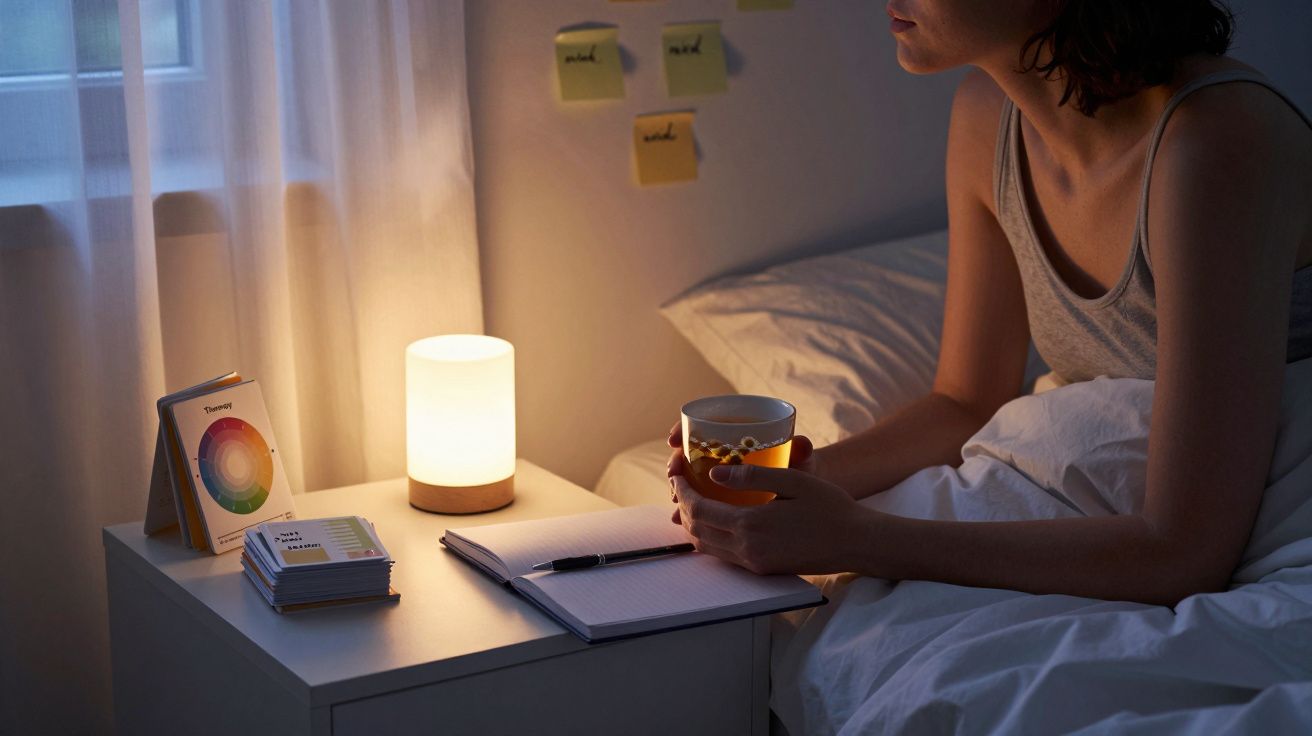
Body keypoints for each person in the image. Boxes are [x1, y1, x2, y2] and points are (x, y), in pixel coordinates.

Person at [667, 0, 1312, 606]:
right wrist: (768, 491)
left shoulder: (1216, 139)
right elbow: (964, 403)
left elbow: (1183, 550)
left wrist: (853, 537)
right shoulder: (987, 117)